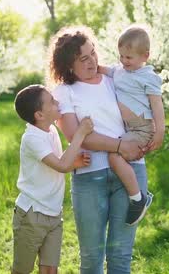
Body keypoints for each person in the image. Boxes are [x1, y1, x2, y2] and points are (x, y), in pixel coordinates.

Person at [49, 26, 149, 273]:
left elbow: (145, 103)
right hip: (90, 178)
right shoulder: (64, 91)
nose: (92, 60)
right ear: (68, 65)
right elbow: (77, 136)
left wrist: (148, 136)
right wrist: (119, 145)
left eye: (93, 53)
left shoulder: (115, 79)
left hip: (130, 174)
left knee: (120, 257)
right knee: (92, 259)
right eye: (84, 58)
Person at [12, 84, 93, 274]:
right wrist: (80, 133)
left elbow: (58, 162)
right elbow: (62, 166)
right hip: (32, 215)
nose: (57, 102)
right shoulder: (32, 138)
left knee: (50, 269)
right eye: (51, 101)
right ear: (39, 115)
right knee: (22, 270)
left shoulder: (51, 131)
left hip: (54, 213)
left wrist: (75, 162)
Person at [98, 24, 165, 225]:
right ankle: (136, 192)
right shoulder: (119, 71)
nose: (124, 61)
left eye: (129, 58)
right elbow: (106, 70)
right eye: (121, 56)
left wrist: (160, 131)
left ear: (145, 56)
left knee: (114, 155)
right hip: (129, 129)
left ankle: (138, 199)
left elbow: (157, 105)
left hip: (142, 129)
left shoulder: (148, 77)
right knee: (116, 155)